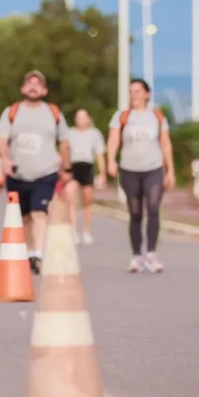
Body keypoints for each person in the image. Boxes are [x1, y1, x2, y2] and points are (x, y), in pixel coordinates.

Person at [0, 70, 72, 275]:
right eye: (29, 83)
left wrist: (66, 167)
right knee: (25, 217)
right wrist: (5, 159)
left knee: (39, 213)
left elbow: (64, 141)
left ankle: (38, 254)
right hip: (17, 173)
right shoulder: (12, 111)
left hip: (45, 172)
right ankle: (28, 252)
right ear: (22, 89)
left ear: (44, 91)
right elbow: (0, 138)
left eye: (38, 84)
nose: (33, 87)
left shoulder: (53, 112)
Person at [106, 78, 175, 273]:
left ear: (147, 94)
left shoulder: (157, 117)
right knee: (135, 213)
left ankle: (151, 253)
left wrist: (170, 170)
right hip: (129, 169)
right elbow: (113, 140)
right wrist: (111, 160)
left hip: (153, 169)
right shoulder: (122, 116)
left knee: (153, 208)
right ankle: (136, 255)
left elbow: (166, 144)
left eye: (137, 91)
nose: (133, 95)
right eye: (131, 91)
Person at [65, 109, 107, 244]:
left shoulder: (95, 134)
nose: (81, 120)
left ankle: (86, 231)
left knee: (87, 200)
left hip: (87, 166)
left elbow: (99, 155)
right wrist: (64, 169)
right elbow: (64, 151)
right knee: (70, 197)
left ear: (88, 119)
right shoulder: (70, 133)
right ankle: (73, 230)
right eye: (78, 117)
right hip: (73, 167)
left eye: (83, 117)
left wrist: (102, 173)